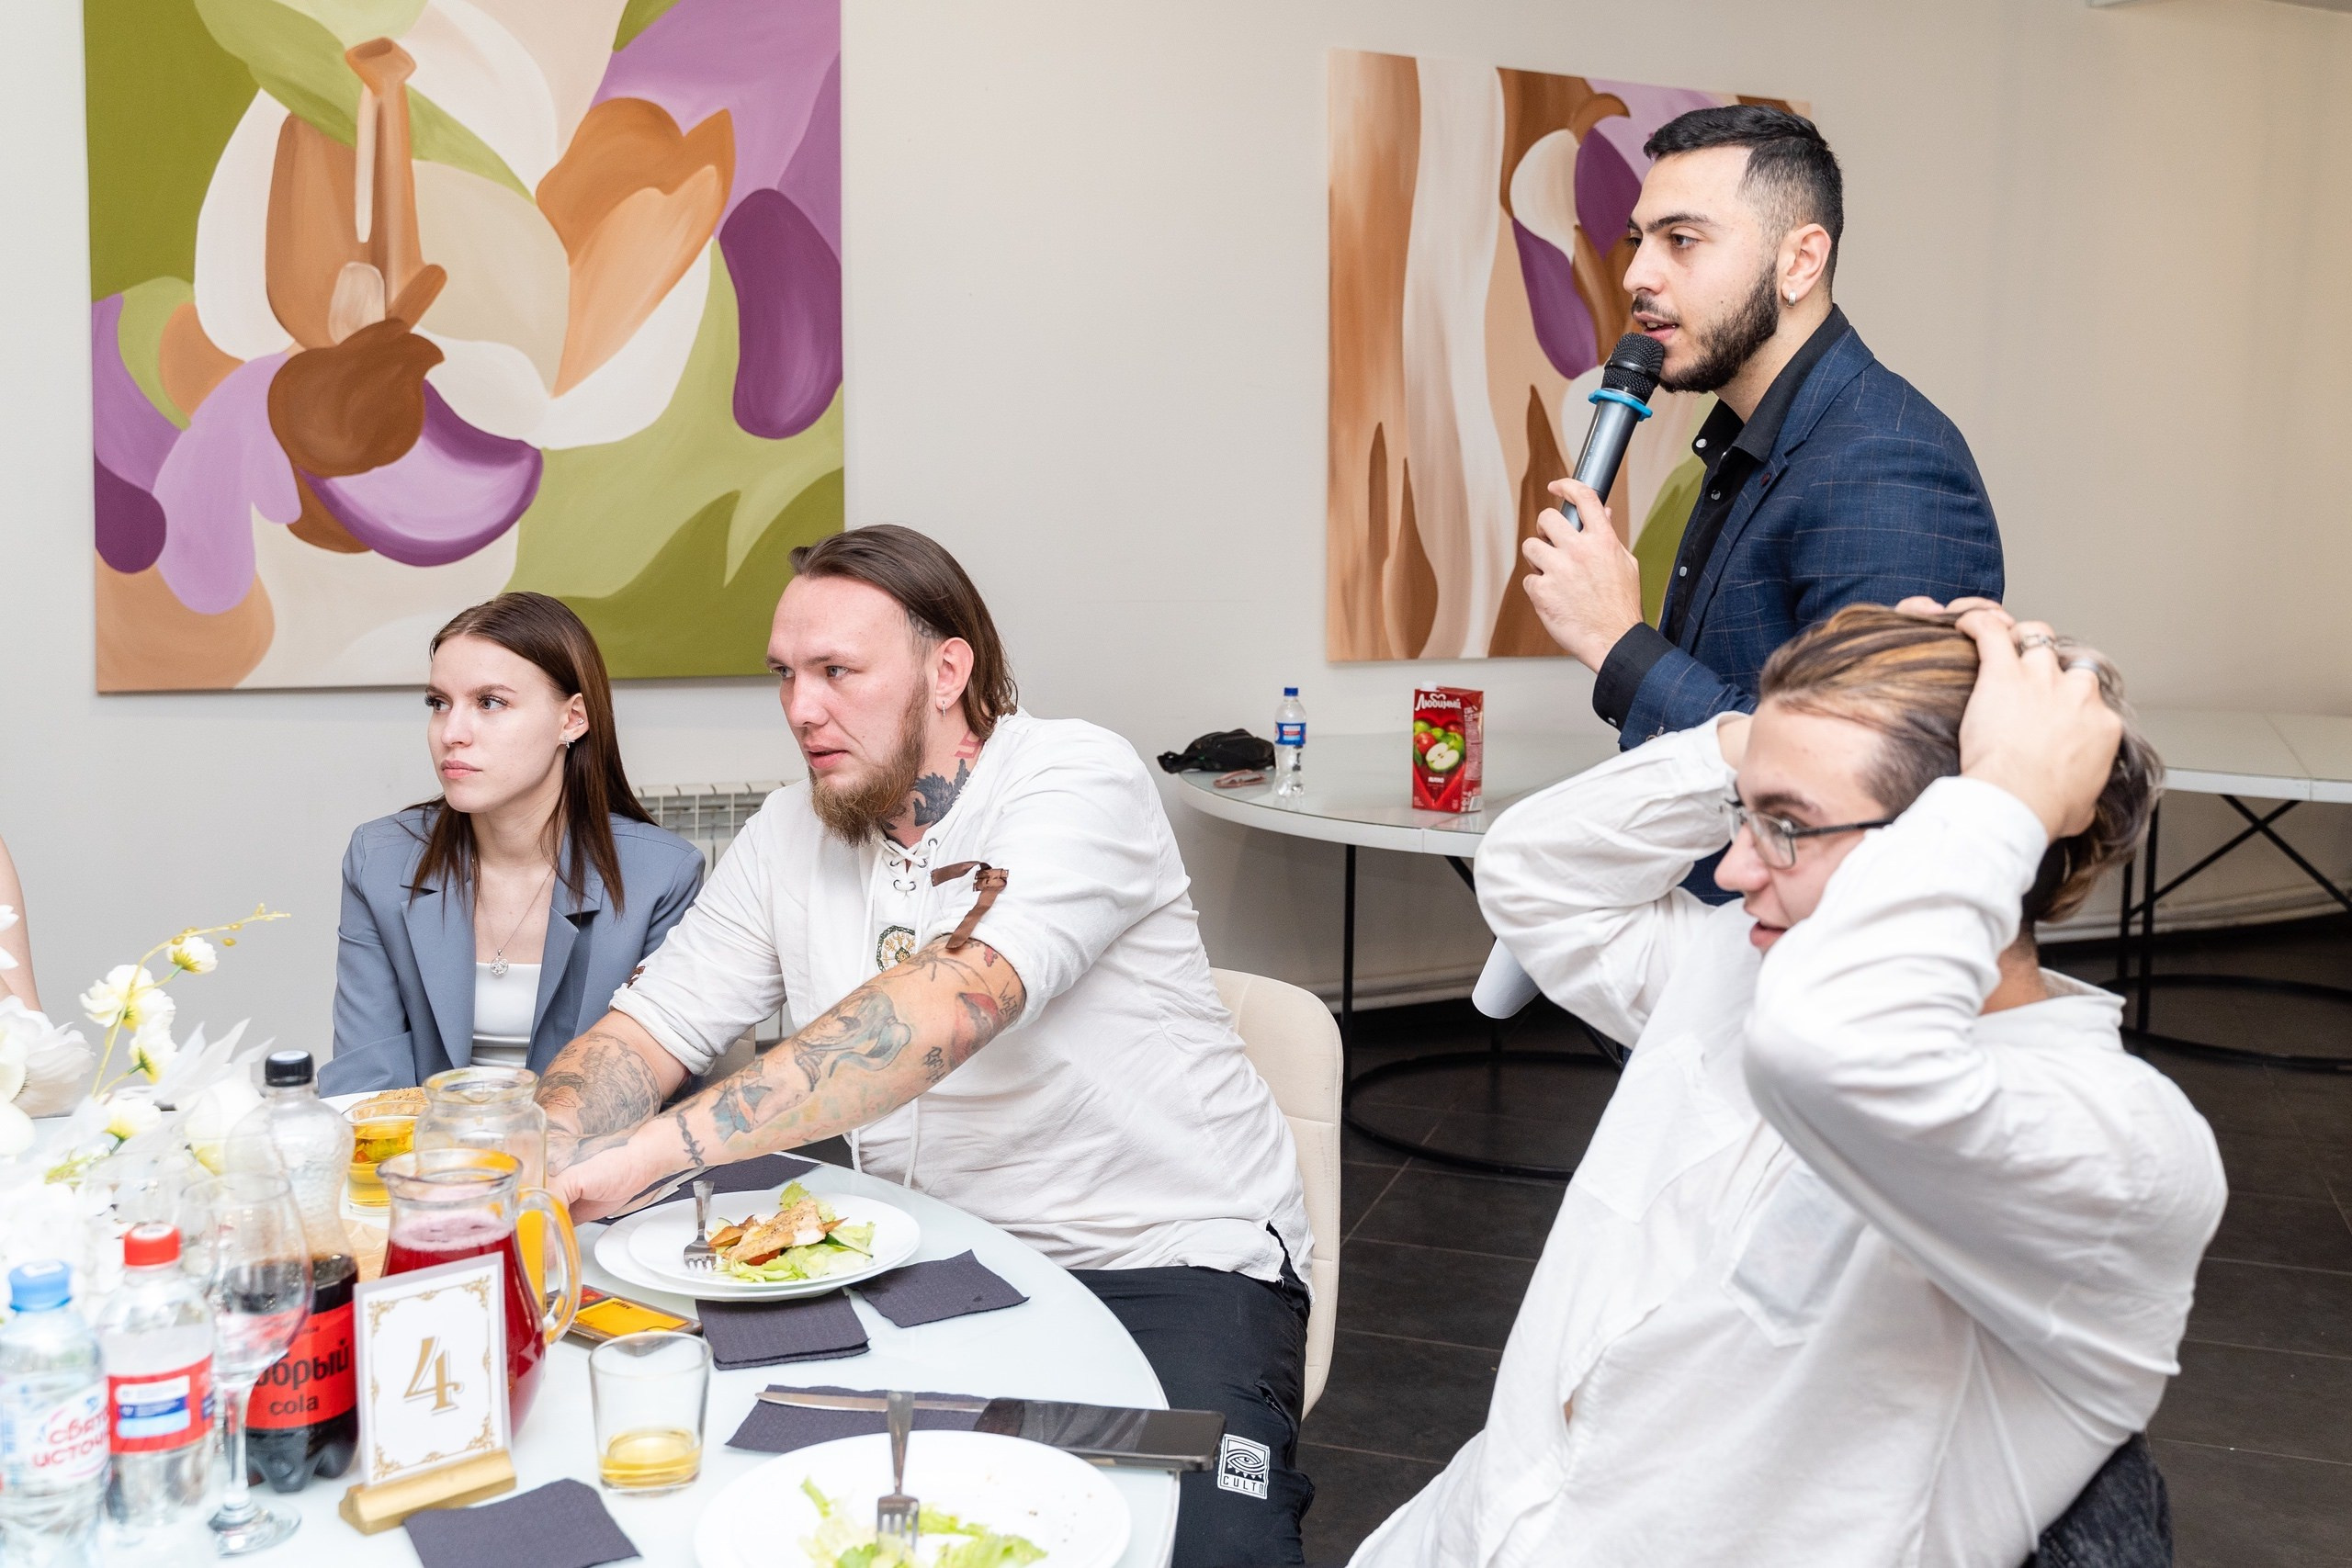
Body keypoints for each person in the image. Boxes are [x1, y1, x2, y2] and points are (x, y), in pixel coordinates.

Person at [1353, 603, 2224, 1568]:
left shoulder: (2115, 1145)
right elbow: (1532, 874)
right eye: (1744, 810)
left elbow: (1830, 1053)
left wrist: (2009, 786)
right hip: (1466, 1532)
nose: (1732, 868)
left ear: (1956, 840)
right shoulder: (1750, 965)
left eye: (1786, 827)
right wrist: (1769, 735)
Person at [533, 525, 1315, 1568]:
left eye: (836, 672)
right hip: (930, 1257)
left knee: (1195, 1547)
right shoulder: (787, 831)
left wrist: (652, 1153)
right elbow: (649, 1029)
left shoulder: (1075, 778)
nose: (800, 709)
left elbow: (946, 1007)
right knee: (766, 1512)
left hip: (1165, 1260)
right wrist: (532, 1152)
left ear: (949, 669)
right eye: (786, 676)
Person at [1521, 105, 2004, 750]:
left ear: (1800, 262)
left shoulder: (1891, 464)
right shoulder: (1742, 444)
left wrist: (1618, 643)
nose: (1636, 274)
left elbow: (1853, 766)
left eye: (1682, 239)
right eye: (1640, 240)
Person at [322, 593, 705, 1094]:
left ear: (572, 719)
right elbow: (366, 1082)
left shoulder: (662, 876)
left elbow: (654, 1089)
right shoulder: (379, 858)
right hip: (425, 1163)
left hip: (591, 1163)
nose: (452, 733)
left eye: (490, 702)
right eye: (439, 704)